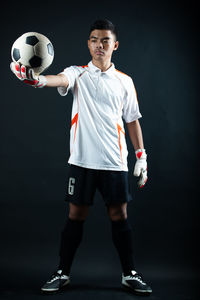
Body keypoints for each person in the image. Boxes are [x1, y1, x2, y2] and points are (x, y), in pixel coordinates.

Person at [10, 19, 152, 296]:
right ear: (88, 44)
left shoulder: (125, 81)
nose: (99, 45)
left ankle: (129, 274)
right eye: (94, 40)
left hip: (115, 161)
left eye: (105, 41)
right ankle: (62, 272)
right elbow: (59, 79)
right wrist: (37, 80)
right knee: (76, 215)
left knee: (119, 214)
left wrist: (141, 156)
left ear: (115, 45)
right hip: (82, 162)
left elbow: (133, 120)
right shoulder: (77, 73)